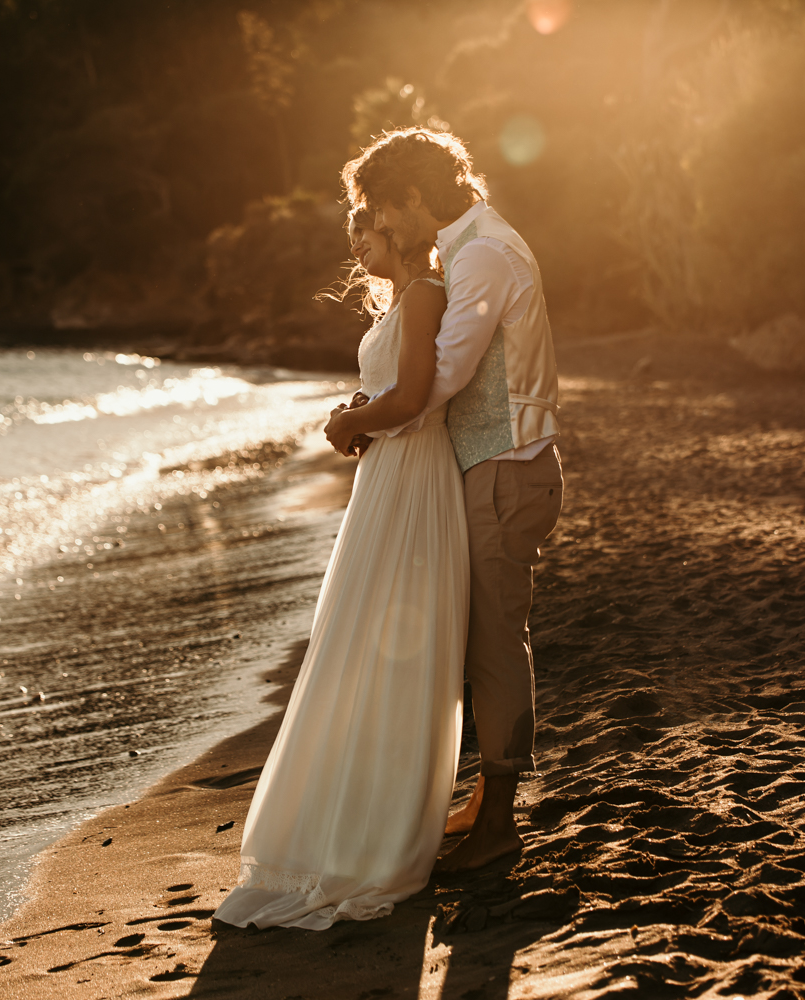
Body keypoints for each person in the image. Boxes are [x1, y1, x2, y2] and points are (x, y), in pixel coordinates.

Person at [213, 209, 467, 930]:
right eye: (352, 229)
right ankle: (351, 823)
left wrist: (355, 422)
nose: (355, 242)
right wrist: (363, 413)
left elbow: (416, 398)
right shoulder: (403, 298)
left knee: (383, 650)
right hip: (390, 473)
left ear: (400, 230)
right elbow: (400, 393)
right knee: (357, 644)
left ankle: (376, 838)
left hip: (415, 478)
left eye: (367, 228)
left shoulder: (424, 293)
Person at [327, 127, 563, 872]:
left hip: (506, 467)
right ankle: (482, 799)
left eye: (382, 209)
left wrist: (364, 420)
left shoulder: (485, 254)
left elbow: (445, 375)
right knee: (471, 641)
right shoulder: (468, 249)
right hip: (482, 466)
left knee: (494, 644)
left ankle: (500, 824)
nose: (382, 227)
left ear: (414, 197)